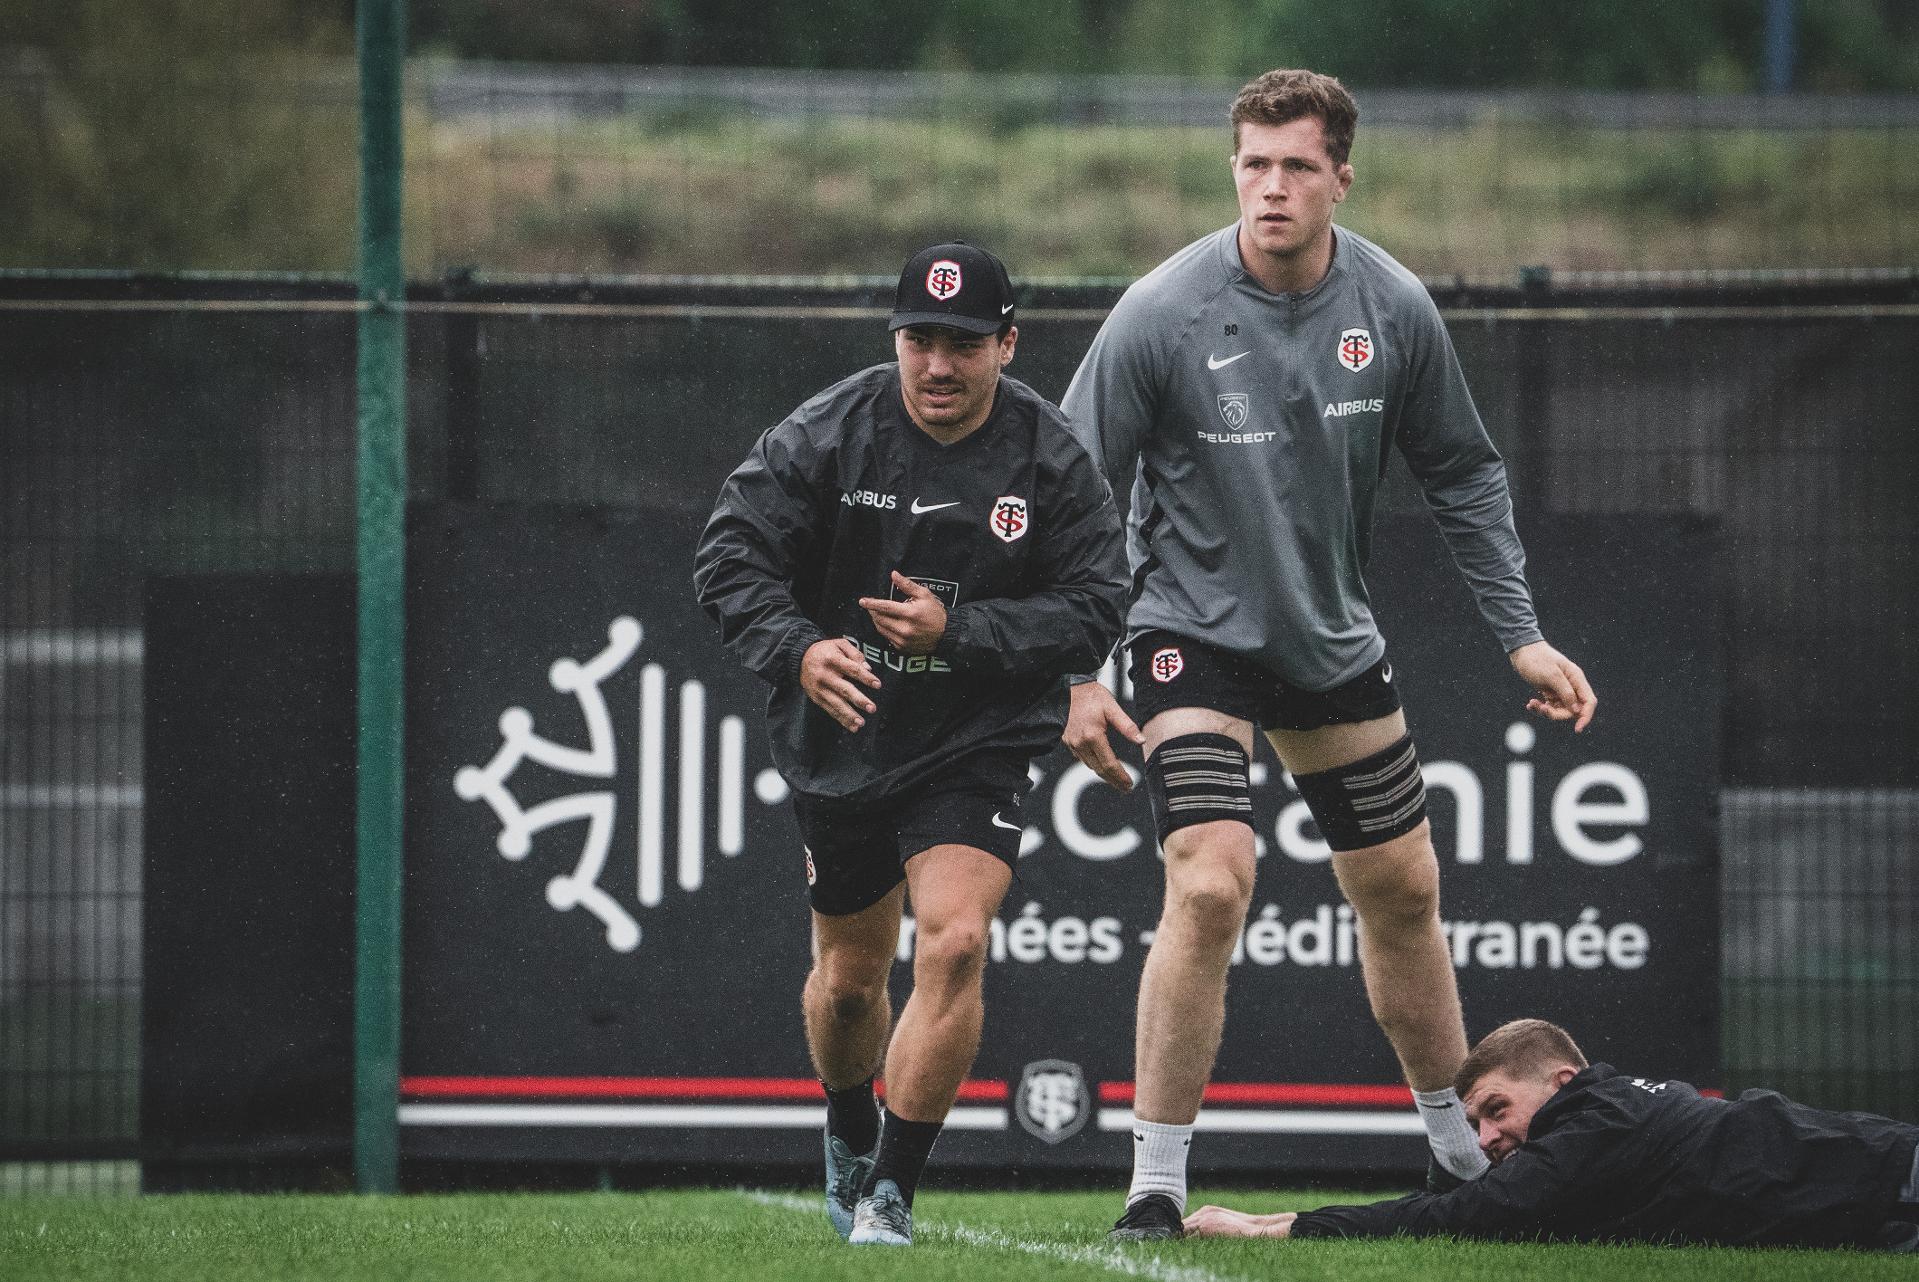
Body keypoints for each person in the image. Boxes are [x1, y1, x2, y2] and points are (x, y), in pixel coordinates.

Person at [1058, 68, 1599, 1240]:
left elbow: (1461, 471)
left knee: (1402, 892)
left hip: (1326, 639)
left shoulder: (1392, 307)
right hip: (1184, 632)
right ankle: (1153, 1186)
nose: (1271, 188)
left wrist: (1519, 634)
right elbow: (1068, 486)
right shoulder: (1160, 311)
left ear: (1341, 177)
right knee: (1209, 879)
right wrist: (1076, 669)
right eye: (1253, 164)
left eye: (1297, 165)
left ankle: (1464, 1163)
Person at [693, 242, 1127, 1247]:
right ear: (895, 341)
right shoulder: (828, 432)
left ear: (1006, 345)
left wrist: (961, 633)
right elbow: (728, 556)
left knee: (956, 938)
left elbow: (1096, 606)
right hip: (844, 729)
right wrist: (798, 650)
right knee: (850, 980)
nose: (939, 365)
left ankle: (890, 1188)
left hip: (978, 732)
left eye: (964, 345)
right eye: (919, 341)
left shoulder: (1049, 455)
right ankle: (850, 1120)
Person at [1184, 1018, 1919, 1251]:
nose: (1486, 1137)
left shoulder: (1599, 1122)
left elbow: (1467, 1214)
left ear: (1560, 1082)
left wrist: (1272, 1229)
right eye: (1475, 1123)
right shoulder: (1608, 1114)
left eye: (1496, 1110)